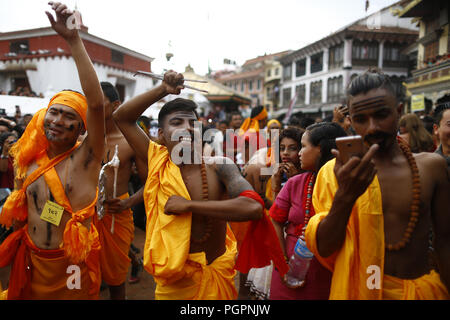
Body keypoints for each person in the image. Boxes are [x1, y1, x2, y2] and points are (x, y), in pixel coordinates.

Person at [112, 71, 286, 300]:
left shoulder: (219, 166)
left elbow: (252, 208)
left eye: (193, 123)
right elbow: (122, 117)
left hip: (214, 277)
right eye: (177, 123)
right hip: (174, 283)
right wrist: (162, 89)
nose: (187, 128)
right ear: (161, 135)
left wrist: (189, 206)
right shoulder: (155, 159)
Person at [305, 70, 450, 299]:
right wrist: (346, 195)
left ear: (399, 111)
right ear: (350, 121)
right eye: (361, 119)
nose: (372, 127)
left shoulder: (432, 167)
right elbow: (324, 248)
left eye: (382, 114)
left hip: (422, 291)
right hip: (359, 291)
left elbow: (445, 242)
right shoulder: (334, 173)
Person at [0, 2, 105, 300]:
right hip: (33, 258)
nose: (58, 121)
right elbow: (30, 212)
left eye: (69, 116)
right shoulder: (29, 160)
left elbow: (96, 105)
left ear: (82, 129)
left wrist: (73, 40)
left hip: (70, 265)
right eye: (54, 112)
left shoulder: (86, 159)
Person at [269, 122, 346, 300]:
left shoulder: (347, 183)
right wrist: (283, 264)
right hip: (291, 269)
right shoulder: (296, 183)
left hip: (330, 270)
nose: (300, 153)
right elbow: (275, 220)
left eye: (302, 147)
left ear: (320, 149)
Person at [93, 81, 147, 299]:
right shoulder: (82, 137)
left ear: (115, 105)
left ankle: (135, 263)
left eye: (99, 103)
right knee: (85, 277)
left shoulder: (130, 141)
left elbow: (153, 181)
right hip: (84, 217)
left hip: (117, 215)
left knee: (115, 281)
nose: (93, 106)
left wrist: (129, 202)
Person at [242, 126, 304, 300]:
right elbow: (278, 210)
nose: (285, 153)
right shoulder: (276, 171)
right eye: (282, 148)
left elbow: (298, 211)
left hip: (297, 240)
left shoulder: (309, 175)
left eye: (292, 148)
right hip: (277, 234)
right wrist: (277, 184)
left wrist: (294, 181)